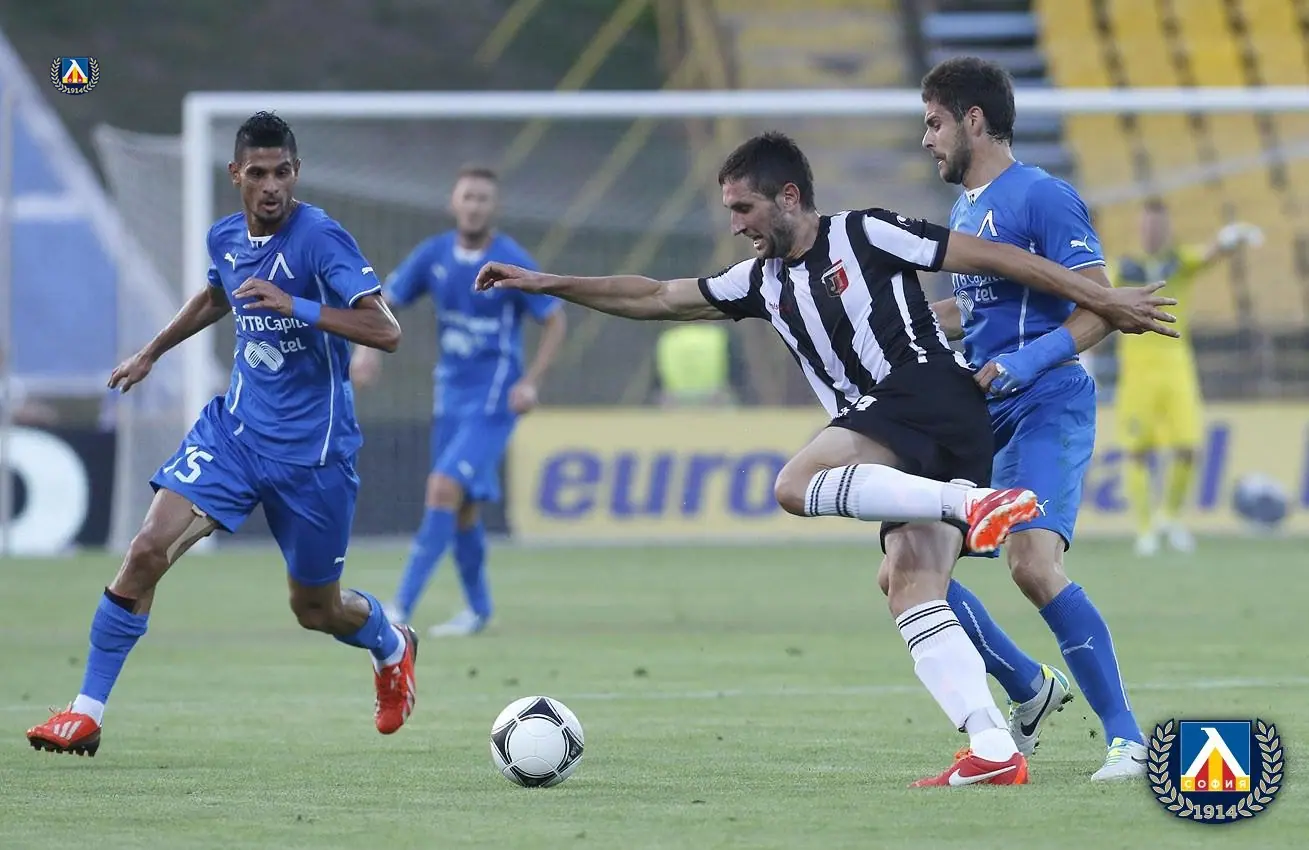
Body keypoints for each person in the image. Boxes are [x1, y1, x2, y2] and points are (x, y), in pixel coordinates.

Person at [474, 132, 1175, 786]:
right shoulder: (758, 282)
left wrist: (1100, 298)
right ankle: (993, 745)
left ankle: (975, 506)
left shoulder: (865, 232)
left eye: (743, 208)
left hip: (927, 395)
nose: (735, 224)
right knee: (908, 584)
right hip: (908, 427)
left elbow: (994, 259)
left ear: (788, 197)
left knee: (794, 483)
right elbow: (656, 295)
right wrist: (547, 282)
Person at [26, 112, 418, 757]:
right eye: (258, 173)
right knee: (147, 549)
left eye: (282, 172)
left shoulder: (320, 238)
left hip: (313, 457)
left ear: (297, 172)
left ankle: (391, 643)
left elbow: (387, 331)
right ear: (236, 174)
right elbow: (217, 296)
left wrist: (297, 305)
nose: (272, 186)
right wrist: (152, 351)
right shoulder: (226, 237)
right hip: (234, 435)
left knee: (315, 610)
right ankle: (85, 712)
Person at [918, 56, 1177, 780]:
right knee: (908, 569)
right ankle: (1028, 687)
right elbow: (978, 311)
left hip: (1045, 403)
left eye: (934, 123)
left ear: (973, 121)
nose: (926, 138)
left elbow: (1102, 305)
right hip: (983, 411)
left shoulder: (1042, 196)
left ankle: (1127, 739)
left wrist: (1025, 363)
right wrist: (906, 325)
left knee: (1032, 564)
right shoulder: (965, 212)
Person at [351, 166, 567, 637]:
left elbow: (554, 318)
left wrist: (531, 382)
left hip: (494, 400)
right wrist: (366, 351)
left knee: (442, 488)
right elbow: (383, 300)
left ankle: (400, 606)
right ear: (454, 203)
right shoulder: (433, 255)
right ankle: (478, 610)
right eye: (467, 197)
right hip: (449, 398)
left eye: (483, 198)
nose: (474, 206)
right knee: (462, 507)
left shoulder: (510, 259)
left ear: (495, 207)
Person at [1114, 200, 1262, 556]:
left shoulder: (1178, 262)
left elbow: (1211, 254)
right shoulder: (1125, 268)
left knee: (1188, 446)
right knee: (1137, 450)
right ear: (1140, 228)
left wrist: (1231, 237)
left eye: (1158, 225)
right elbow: (1094, 296)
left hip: (1176, 365)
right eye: (1148, 225)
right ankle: (1145, 530)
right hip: (1137, 369)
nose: (1153, 231)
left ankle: (1169, 517)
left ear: (1167, 228)